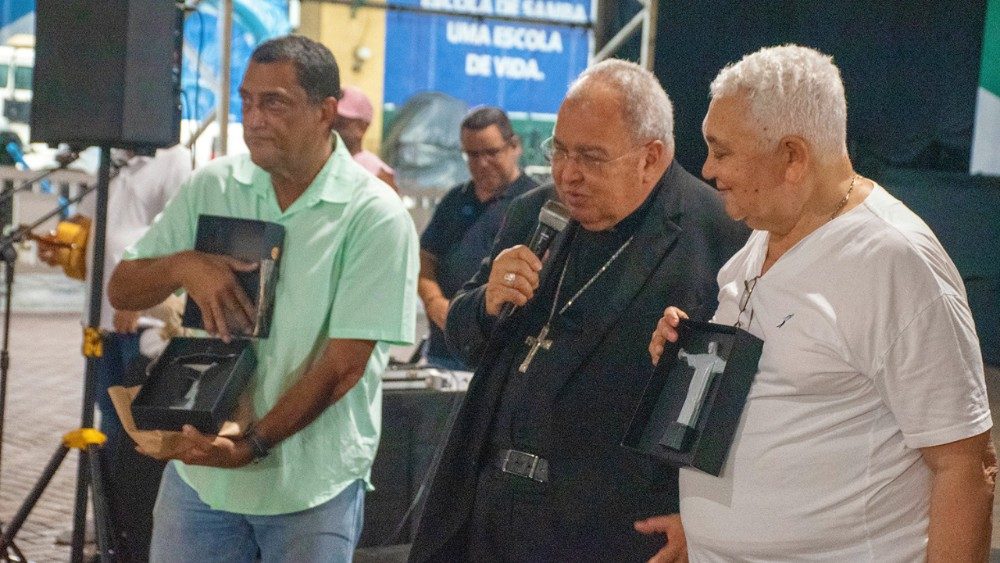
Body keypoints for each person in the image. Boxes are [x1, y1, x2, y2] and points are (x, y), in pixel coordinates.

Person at [645, 44, 996, 561]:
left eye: (722, 152)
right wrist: (689, 357)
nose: (708, 169)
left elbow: (966, 467)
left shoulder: (895, 260)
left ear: (793, 157)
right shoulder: (760, 241)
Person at [409, 60, 747, 562]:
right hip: (494, 513)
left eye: (591, 157)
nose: (567, 175)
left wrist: (699, 516)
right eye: (560, 151)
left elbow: (732, 404)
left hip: (613, 528)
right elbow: (465, 340)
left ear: (651, 157)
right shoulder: (533, 213)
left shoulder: (719, 233)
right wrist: (486, 302)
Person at [108, 35, 419, 561]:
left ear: (325, 112)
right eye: (247, 101)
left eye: (274, 103)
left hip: (309, 484)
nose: (253, 119)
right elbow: (123, 289)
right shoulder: (214, 185)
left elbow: (343, 366)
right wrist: (185, 264)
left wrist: (252, 445)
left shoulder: (374, 215)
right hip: (201, 478)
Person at [417, 106, 539, 370]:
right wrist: (435, 303)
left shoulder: (535, 204)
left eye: (491, 153)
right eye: (472, 155)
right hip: (443, 352)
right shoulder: (454, 200)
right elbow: (425, 258)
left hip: (499, 358)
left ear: (514, 146)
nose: (482, 163)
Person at [333, 85, 397, 191]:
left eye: (341, 123)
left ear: (362, 127)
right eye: (331, 121)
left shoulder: (378, 174)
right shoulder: (320, 165)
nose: (333, 128)